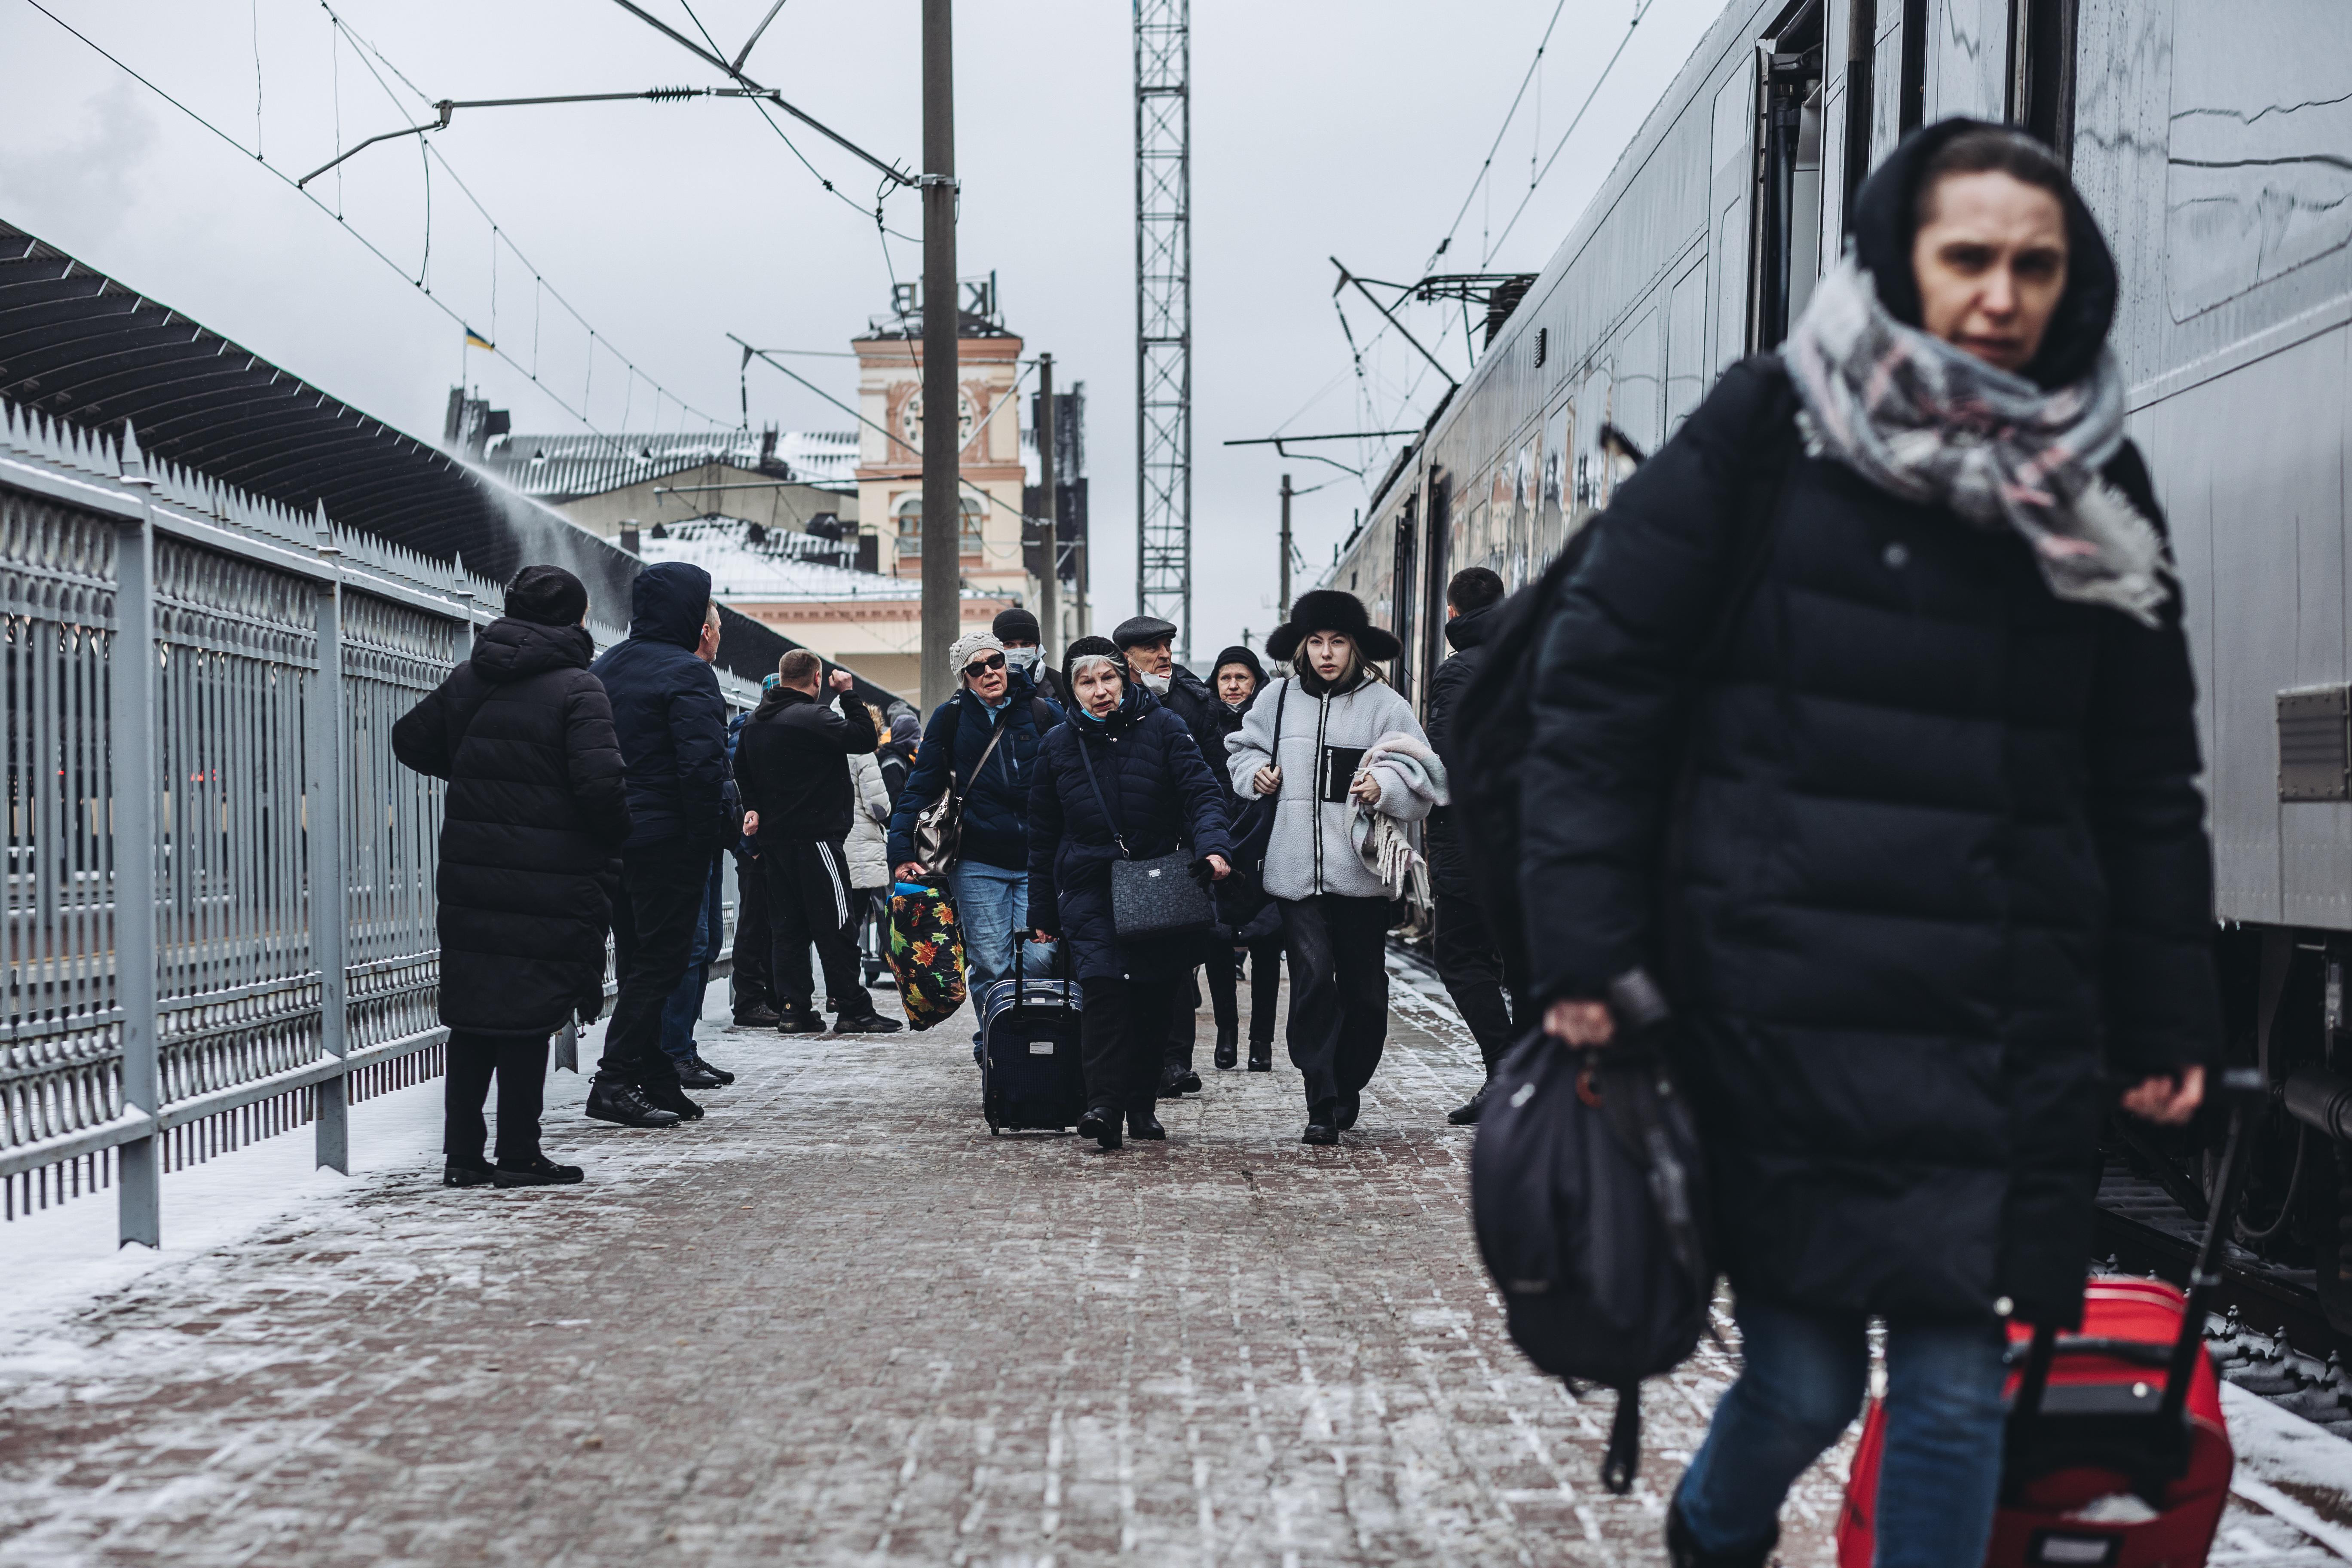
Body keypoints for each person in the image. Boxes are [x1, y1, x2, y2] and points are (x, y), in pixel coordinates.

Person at [1518, 122, 2217, 1568]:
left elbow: (2145, 775)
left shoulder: (2098, 477)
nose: (2003, 292)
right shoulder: (1770, 427)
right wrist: (1585, 947)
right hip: (1778, 996)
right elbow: (1597, 694)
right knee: (1809, 1378)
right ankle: (1713, 1530)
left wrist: (2164, 1009)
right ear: (1901, 256)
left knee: (1958, 1389)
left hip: (1994, 1014)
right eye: (1969, 256)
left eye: (2038, 264)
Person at [393, 564, 629, 1185]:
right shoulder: (579, 688)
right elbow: (601, 787)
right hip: (549, 873)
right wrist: (611, 838)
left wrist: (483, 775)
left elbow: (410, 741)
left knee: (475, 1015)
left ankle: (463, 1157)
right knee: (527, 1012)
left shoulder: (472, 676)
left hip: (472, 869)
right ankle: (519, 1154)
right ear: (576, 619)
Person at [1227, 591, 1433, 1144]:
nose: (1326, 653)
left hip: (1361, 876)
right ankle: (1321, 1098)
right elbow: (1239, 749)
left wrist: (1382, 785)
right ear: (1302, 647)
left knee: (1365, 992)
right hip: (1295, 873)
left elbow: (1421, 770)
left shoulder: (1384, 705)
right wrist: (1257, 773)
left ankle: (1349, 1084)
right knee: (1314, 981)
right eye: (1316, 642)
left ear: (1355, 648)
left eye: (1338, 642)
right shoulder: (1277, 697)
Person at [1027, 637, 1234, 1150]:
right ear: (1072, 691)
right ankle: (1102, 1105)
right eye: (1086, 682)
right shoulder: (1056, 745)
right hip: (1089, 887)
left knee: (1153, 999)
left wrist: (1213, 849)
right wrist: (1042, 909)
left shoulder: (1166, 728)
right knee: (1102, 993)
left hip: (1157, 883)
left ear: (1125, 678)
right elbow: (1041, 836)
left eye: (1108, 678)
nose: (1100, 691)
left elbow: (1202, 793)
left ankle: (1141, 1105)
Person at [588, 563, 732, 1127]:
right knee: (665, 961)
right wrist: (704, 843)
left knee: (635, 959)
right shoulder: (688, 675)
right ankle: (615, 1078)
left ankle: (655, 1076)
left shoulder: (607, 666)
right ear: (695, 619)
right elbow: (701, 770)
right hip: (668, 839)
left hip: (613, 838)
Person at [887, 629, 1066, 1054]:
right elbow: (918, 790)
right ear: (964, 677)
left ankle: (1035, 1040)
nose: (989, 672)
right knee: (990, 963)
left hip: (1037, 860)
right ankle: (1000, 1045)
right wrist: (900, 853)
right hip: (977, 861)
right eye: (977, 668)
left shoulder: (1045, 714)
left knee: (1041, 959)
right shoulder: (949, 721)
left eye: (996, 662)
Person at [734, 650, 902, 1035]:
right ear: (816, 679)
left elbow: (741, 769)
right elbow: (865, 737)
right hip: (818, 840)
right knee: (839, 924)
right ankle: (853, 1009)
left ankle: (794, 1009)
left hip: (775, 842)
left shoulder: (756, 722)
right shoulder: (814, 717)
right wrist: (847, 694)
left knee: (788, 928)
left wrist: (755, 808)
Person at [1422, 567, 1523, 1124]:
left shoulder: (1458, 672)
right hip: (1534, 838)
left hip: (1473, 840)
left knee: (1460, 956)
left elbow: (1447, 761)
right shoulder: (1539, 658)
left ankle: (1505, 1065)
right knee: (1524, 961)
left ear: (1452, 615)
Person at [1112, 613, 1220, 1096]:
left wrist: (1211, 845)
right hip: (1119, 853)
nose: (1164, 656)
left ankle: (1174, 1062)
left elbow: (1211, 780)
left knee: (1176, 964)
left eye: (1167, 646)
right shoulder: (1102, 701)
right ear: (1127, 658)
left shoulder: (1192, 703)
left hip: (1177, 852)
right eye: (1153, 649)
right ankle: (1134, 1061)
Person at [657, 620, 746, 1091]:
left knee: (706, 944)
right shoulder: (686, 677)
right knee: (691, 946)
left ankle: (680, 1049)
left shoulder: (692, 678)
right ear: (707, 629)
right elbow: (698, 765)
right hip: (689, 839)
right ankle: (672, 1052)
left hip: (707, 836)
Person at [1202, 644, 1283, 1072]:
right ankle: (1227, 1035)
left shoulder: (1273, 723)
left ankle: (1262, 1043)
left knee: (1268, 946)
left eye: (1242, 678)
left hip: (1265, 846)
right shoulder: (1203, 723)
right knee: (1217, 943)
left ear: (1255, 683)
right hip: (1217, 843)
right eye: (1225, 678)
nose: (1233, 686)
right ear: (1215, 683)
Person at [727, 685, 779, 1026]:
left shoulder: (752, 732)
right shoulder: (750, 735)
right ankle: (750, 1001)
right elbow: (740, 797)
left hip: (760, 848)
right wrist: (753, 850)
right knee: (755, 926)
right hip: (757, 850)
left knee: (765, 926)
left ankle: (766, 998)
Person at [844, 703, 895, 986]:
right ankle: (849, 990)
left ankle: (836, 989)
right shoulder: (863, 754)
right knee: (856, 923)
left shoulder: (827, 747)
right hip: (861, 850)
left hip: (832, 847)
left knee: (839, 924)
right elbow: (880, 807)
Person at [994, 606, 1066, 707]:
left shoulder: (1059, 683)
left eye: (1026, 644)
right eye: (1009, 644)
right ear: (998, 649)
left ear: (1037, 648)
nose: (1018, 650)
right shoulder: (990, 684)